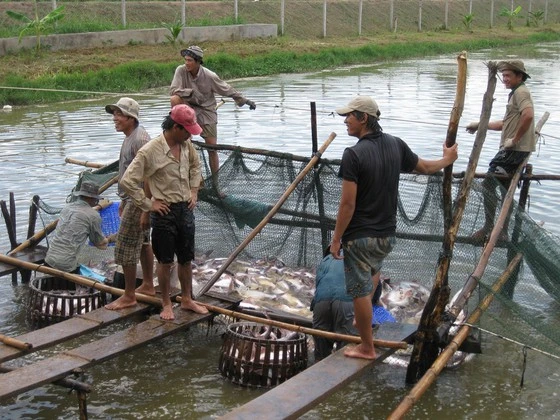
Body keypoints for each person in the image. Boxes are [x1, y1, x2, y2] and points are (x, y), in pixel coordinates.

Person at [330, 95, 458, 360]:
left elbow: (347, 205)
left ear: (364, 119)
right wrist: (447, 160)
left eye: (350, 115)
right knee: (372, 273)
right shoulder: (395, 145)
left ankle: (366, 347)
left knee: (359, 292)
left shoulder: (352, 154)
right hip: (386, 236)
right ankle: (363, 319)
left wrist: (336, 238)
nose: (345, 121)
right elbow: (424, 167)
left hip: (360, 237)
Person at [120, 104, 209, 320]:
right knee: (165, 260)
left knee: (186, 258)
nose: (190, 135)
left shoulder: (187, 146)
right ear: (175, 127)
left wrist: (194, 191)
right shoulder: (150, 150)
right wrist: (149, 205)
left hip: (185, 208)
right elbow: (128, 182)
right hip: (164, 211)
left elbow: (196, 168)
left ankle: (187, 299)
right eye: (187, 130)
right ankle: (166, 303)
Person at [465, 60, 536, 242]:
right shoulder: (514, 94)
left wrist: (515, 140)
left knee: (489, 183)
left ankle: (490, 227)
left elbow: (528, 115)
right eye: (503, 75)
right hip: (515, 148)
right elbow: (505, 124)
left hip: (515, 150)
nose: (504, 79)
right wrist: (480, 124)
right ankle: (502, 231)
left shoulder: (521, 92)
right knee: (505, 189)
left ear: (519, 76)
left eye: (508, 75)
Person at [169, 45, 256, 185]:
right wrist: (189, 93)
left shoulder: (210, 76)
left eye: (190, 60)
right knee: (175, 100)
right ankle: (181, 130)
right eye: (185, 60)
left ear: (198, 62)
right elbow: (173, 90)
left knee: (212, 147)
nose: (186, 63)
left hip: (206, 110)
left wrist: (245, 101)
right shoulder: (181, 70)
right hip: (188, 109)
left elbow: (227, 89)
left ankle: (215, 184)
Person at [104, 97, 156, 310]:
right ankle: (148, 285)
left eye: (119, 114)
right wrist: (123, 201)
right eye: (114, 114)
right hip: (132, 199)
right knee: (144, 242)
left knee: (124, 246)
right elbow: (128, 173)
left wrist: (145, 208)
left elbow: (148, 176)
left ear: (131, 118)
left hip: (140, 199)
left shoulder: (140, 139)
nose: (115, 119)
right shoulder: (130, 137)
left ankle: (129, 295)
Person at [45, 182, 109, 273]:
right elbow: (100, 244)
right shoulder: (93, 215)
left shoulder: (67, 208)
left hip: (49, 260)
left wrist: (99, 207)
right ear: (92, 198)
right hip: (67, 266)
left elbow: (82, 213)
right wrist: (109, 239)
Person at [311, 248, 355, 362]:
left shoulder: (325, 260)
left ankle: (318, 372)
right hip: (346, 301)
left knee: (321, 346)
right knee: (344, 347)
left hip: (321, 302)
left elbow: (318, 287)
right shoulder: (358, 255)